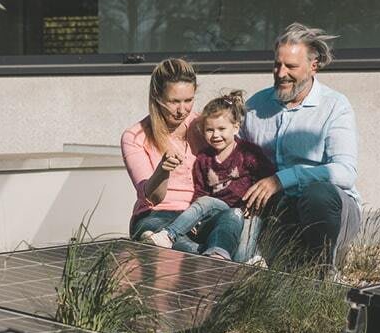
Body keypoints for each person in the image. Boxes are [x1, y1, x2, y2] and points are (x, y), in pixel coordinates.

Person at [241, 22, 361, 266]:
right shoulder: (255, 106)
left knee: (317, 193)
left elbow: (345, 173)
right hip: (279, 210)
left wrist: (284, 178)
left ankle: (323, 272)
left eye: (291, 66)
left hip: (330, 209)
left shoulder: (335, 106)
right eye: (277, 64)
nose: (281, 73)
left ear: (313, 67)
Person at [139, 91, 275, 262]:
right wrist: (196, 220)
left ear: (236, 127)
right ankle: (168, 235)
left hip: (246, 211)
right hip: (219, 209)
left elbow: (268, 178)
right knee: (205, 201)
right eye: (209, 130)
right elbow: (201, 192)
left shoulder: (247, 153)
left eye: (221, 129)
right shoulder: (204, 159)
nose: (215, 135)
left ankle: (251, 261)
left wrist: (258, 203)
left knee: (242, 255)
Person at [121, 58, 207, 250]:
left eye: (189, 100)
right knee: (192, 252)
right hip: (155, 214)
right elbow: (152, 198)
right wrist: (162, 171)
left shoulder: (204, 127)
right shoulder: (135, 137)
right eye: (174, 101)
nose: (182, 110)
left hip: (198, 214)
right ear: (157, 97)